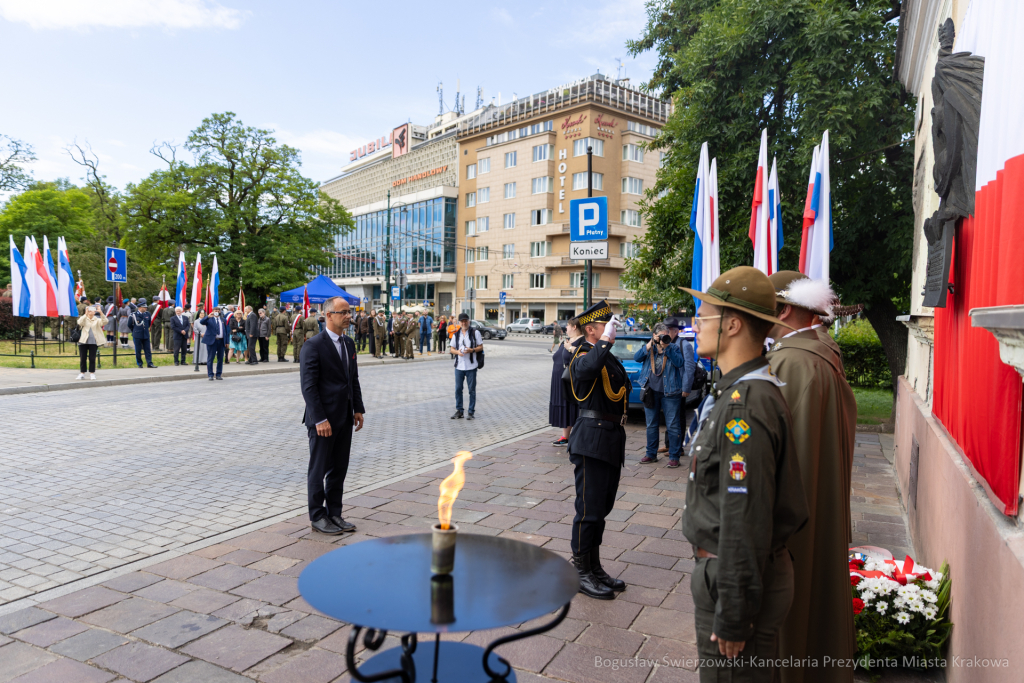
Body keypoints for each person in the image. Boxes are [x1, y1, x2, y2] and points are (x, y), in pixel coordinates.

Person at [680, 267, 808, 682]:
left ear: (732, 324)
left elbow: (744, 518)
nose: (695, 325)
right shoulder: (742, 390)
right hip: (733, 573)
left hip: (733, 579)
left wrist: (734, 615)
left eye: (704, 316)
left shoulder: (745, 405)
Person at [765, 271, 857, 683]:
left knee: (792, 615)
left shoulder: (789, 362)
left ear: (783, 310)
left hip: (794, 522)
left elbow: (782, 462)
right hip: (820, 503)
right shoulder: (820, 352)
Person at [564, 301, 629, 600]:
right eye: (606, 324)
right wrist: (603, 342)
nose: (611, 328)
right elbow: (588, 370)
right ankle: (579, 571)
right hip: (591, 441)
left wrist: (605, 345)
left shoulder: (606, 357)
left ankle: (594, 566)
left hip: (609, 439)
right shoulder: (583, 355)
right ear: (591, 329)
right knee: (588, 511)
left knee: (601, 510)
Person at [300, 296, 365, 535]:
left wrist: (357, 408)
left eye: (350, 312)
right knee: (318, 469)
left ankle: (334, 513)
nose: (349, 316)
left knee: (339, 468)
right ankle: (317, 516)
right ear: (328, 315)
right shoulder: (313, 345)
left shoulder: (348, 344)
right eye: (344, 312)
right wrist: (319, 419)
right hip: (322, 421)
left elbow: (352, 380)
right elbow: (308, 387)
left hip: (344, 417)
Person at [635, 322, 688, 467]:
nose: (665, 337)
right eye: (661, 335)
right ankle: (651, 454)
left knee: (673, 425)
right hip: (651, 391)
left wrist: (667, 348)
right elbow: (636, 357)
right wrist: (648, 345)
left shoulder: (674, 348)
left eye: (667, 335)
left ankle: (674, 456)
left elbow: (679, 363)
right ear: (654, 335)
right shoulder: (649, 348)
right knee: (651, 425)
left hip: (671, 392)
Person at [658, 317, 697, 455]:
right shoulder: (664, 344)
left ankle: (678, 448)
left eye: (667, 330)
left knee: (678, 418)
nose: (665, 333)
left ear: (675, 331)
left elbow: (689, 368)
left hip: (679, 387)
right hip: (667, 387)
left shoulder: (684, 344)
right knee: (670, 417)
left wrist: (686, 388)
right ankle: (669, 445)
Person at [549, 317, 582, 446]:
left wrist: (569, 348)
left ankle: (575, 435)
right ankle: (565, 436)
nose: (565, 328)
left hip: (570, 380)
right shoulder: (568, 340)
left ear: (574, 327)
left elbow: (581, 358)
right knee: (564, 405)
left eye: (568, 326)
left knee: (571, 405)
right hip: (560, 378)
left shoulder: (581, 342)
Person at [450, 312, 483, 420]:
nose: (464, 323)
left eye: (466, 321)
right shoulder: (456, 334)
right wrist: (457, 352)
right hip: (459, 366)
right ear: (459, 322)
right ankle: (459, 411)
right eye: (462, 321)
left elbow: (481, 347)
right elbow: (451, 349)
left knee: (471, 390)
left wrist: (472, 350)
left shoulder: (475, 332)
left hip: (471, 366)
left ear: (469, 321)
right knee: (458, 389)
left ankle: (471, 412)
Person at [76, 305, 107, 380]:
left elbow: (105, 322)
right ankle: (82, 373)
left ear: (94, 312)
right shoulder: (84, 319)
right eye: (89, 310)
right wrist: (85, 314)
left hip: (93, 341)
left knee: (92, 358)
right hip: (83, 341)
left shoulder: (97, 319)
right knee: (83, 358)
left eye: (92, 310)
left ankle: (92, 373)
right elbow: (79, 322)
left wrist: (101, 312)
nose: (90, 312)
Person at [128, 300, 156, 368]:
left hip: (145, 334)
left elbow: (149, 324)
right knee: (138, 350)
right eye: (144, 307)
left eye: (146, 307)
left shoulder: (147, 314)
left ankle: (149, 363)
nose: (146, 308)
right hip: (137, 334)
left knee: (148, 350)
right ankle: (139, 363)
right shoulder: (134, 314)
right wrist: (135, 331)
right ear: (140, 308)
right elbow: (129, 325)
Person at [200, 307, 227, 380]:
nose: (217, 312)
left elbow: (225, 331)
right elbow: (201, 322)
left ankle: (218, 374)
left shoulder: (223, 319)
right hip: (212, 341)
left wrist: (226, 342)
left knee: (220, 358)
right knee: (210, 358)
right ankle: (210, 374)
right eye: (215, 311)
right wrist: (208, 316)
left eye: (218, 311)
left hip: (221, 341)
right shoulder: (209, 319)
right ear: (212, 311)